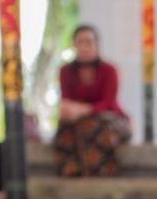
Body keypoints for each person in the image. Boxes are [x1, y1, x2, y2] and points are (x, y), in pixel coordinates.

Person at [53, 24, 131, 177]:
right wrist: (71, 111)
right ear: (74, 45)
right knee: (66, 129)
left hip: (109, 120)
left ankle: (102, 171)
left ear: (97, 45)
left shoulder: (109, 70)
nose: (84, 47)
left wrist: (83, 110)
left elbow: (109, 103)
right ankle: (72, 171)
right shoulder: (66, 71)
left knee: (93, 127)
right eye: (80, 43)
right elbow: (67, 102)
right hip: (77, 122)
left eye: (88, 42)